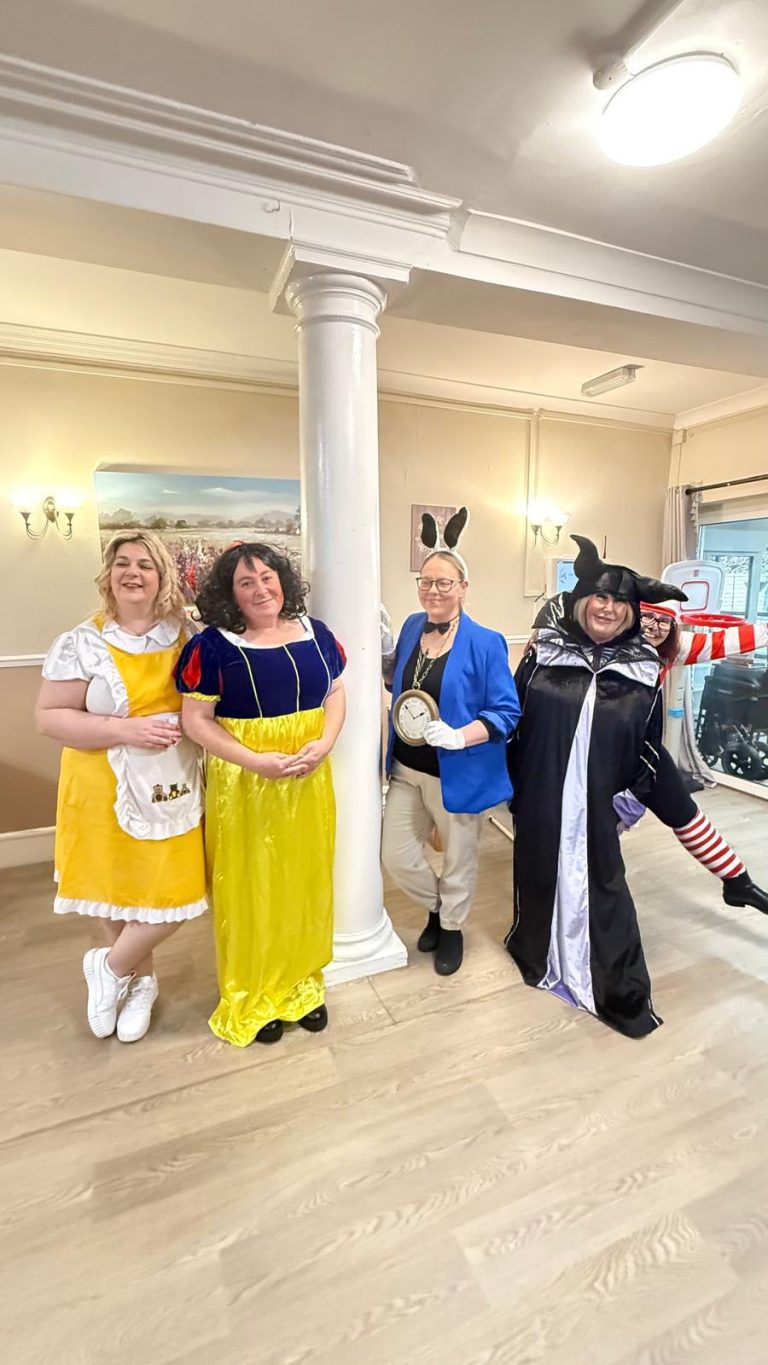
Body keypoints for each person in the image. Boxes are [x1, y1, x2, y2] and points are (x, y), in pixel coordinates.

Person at [505, 535, 684, 1038]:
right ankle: (535, 949)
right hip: (541, 789)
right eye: (599, 598)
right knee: (537, 868)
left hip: (600, 797)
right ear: (581, 602)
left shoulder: (645, 668)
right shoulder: (544, 653)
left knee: (604, 881)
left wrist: (629, 800)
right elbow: (514, 718)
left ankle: (612, 980)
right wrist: (513, 781)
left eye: (619, 602)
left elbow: (652, 743)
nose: (607, 608)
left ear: (630, 612)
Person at [36, 532, 206, 1043]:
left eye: (146, 565)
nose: (133, 572)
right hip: (99, 786)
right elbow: (49, 718)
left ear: (163, 577)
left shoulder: (187, 635)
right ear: (109, 574)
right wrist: (124, 729)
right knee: (118, 895)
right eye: (123, 563)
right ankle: (141, 984)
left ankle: (108, 968)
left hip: (172, 785)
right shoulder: (81, 642)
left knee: (176, 893)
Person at [177, 542, 346, 1047]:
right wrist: (255, 761)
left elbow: (336, 695)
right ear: (230, 593)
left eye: (267, 577)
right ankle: (251, 992)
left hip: (307, 777)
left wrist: (325, 743)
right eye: (245, 582)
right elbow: (195, 721)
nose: (260, 589)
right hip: (245, 784)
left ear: (283, 581)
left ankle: (301, 985)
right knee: (250, 887)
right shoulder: (212, 647)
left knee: (305, 879)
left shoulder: (319, 635)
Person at [534, 592, 768, 914]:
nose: (655, 627)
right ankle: (577, 899)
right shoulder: (608, 643)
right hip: (593, 748)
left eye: (664, 621)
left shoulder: (670, 650)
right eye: (649, 617)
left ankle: (737, 881)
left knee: (685, 813)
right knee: (592, 828)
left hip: (643, 750)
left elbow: (729, 640)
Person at [382, 507, 520, 976]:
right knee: (395, 856)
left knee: (459, 859)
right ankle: (440, 909)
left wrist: (461, 736)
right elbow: (402, 683)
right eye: (426, 582)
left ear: (463, 587)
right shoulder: (409, 627)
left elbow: (507, 712)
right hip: (405, 768)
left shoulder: (486, 641)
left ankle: (453, 928)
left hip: (457, 772)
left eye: (444, 583)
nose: (433, 591)